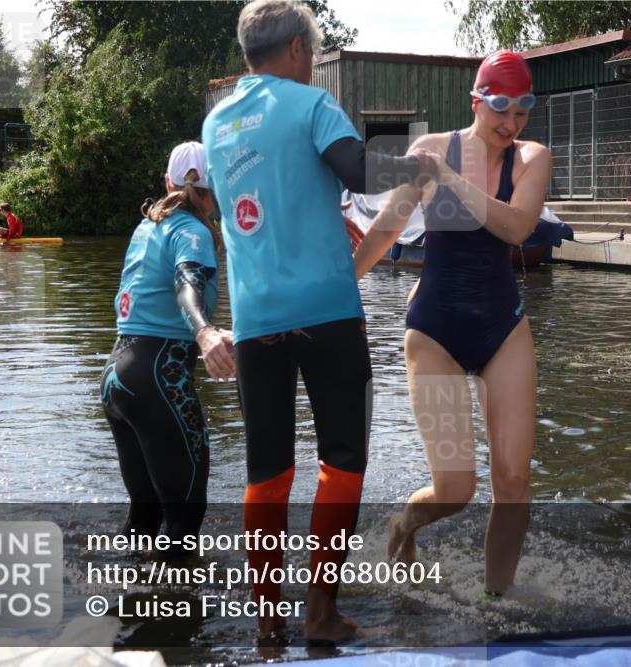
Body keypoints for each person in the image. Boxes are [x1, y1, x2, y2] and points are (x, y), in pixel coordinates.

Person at [202, 0, 436, 644]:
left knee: (267, 469)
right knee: (341, 461)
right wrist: (420, 164)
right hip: (328, 314)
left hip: (254, 322)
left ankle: (268, 622)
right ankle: (321, 613)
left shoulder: (216, 122)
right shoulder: (311, 106)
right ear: (300, 50)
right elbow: (360, 172)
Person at [353, 50, 551, 598]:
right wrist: (342, 285)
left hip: (501, 326)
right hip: (435, 327)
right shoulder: (431, 151)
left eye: (522, 111)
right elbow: (386, 231)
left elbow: (515, 228)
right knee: (456, 489)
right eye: (500, 110)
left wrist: (448, 182)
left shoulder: (533, 157)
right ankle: (404, 523)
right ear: (476, 102)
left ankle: (496, 603)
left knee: (512, 481)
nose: (511, 124)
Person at [100, 142, 234, 556]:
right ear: (218, 186)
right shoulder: (192, 231)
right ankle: (177, 616)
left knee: (144, 518)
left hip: (117, 377)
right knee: (183, 522)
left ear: (167, 182)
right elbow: (187, 286)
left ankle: (128, 612)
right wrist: (205, 332)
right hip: (160, 379)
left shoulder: (147, 227)